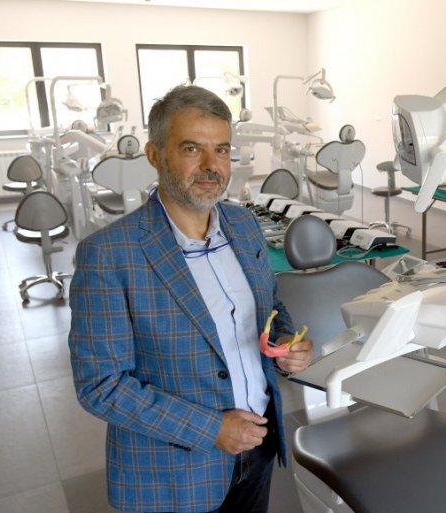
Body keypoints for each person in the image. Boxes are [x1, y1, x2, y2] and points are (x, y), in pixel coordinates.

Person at [68, 84, 312, 513]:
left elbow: (272, 307)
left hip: (258, 444)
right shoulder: (109, 254)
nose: (211, 165)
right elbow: (100, 386)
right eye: (191, 149)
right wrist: (210, 428)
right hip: (175, 474)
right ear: (154, 154)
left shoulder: (244, 226)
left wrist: (285, 345)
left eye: (222, 149)